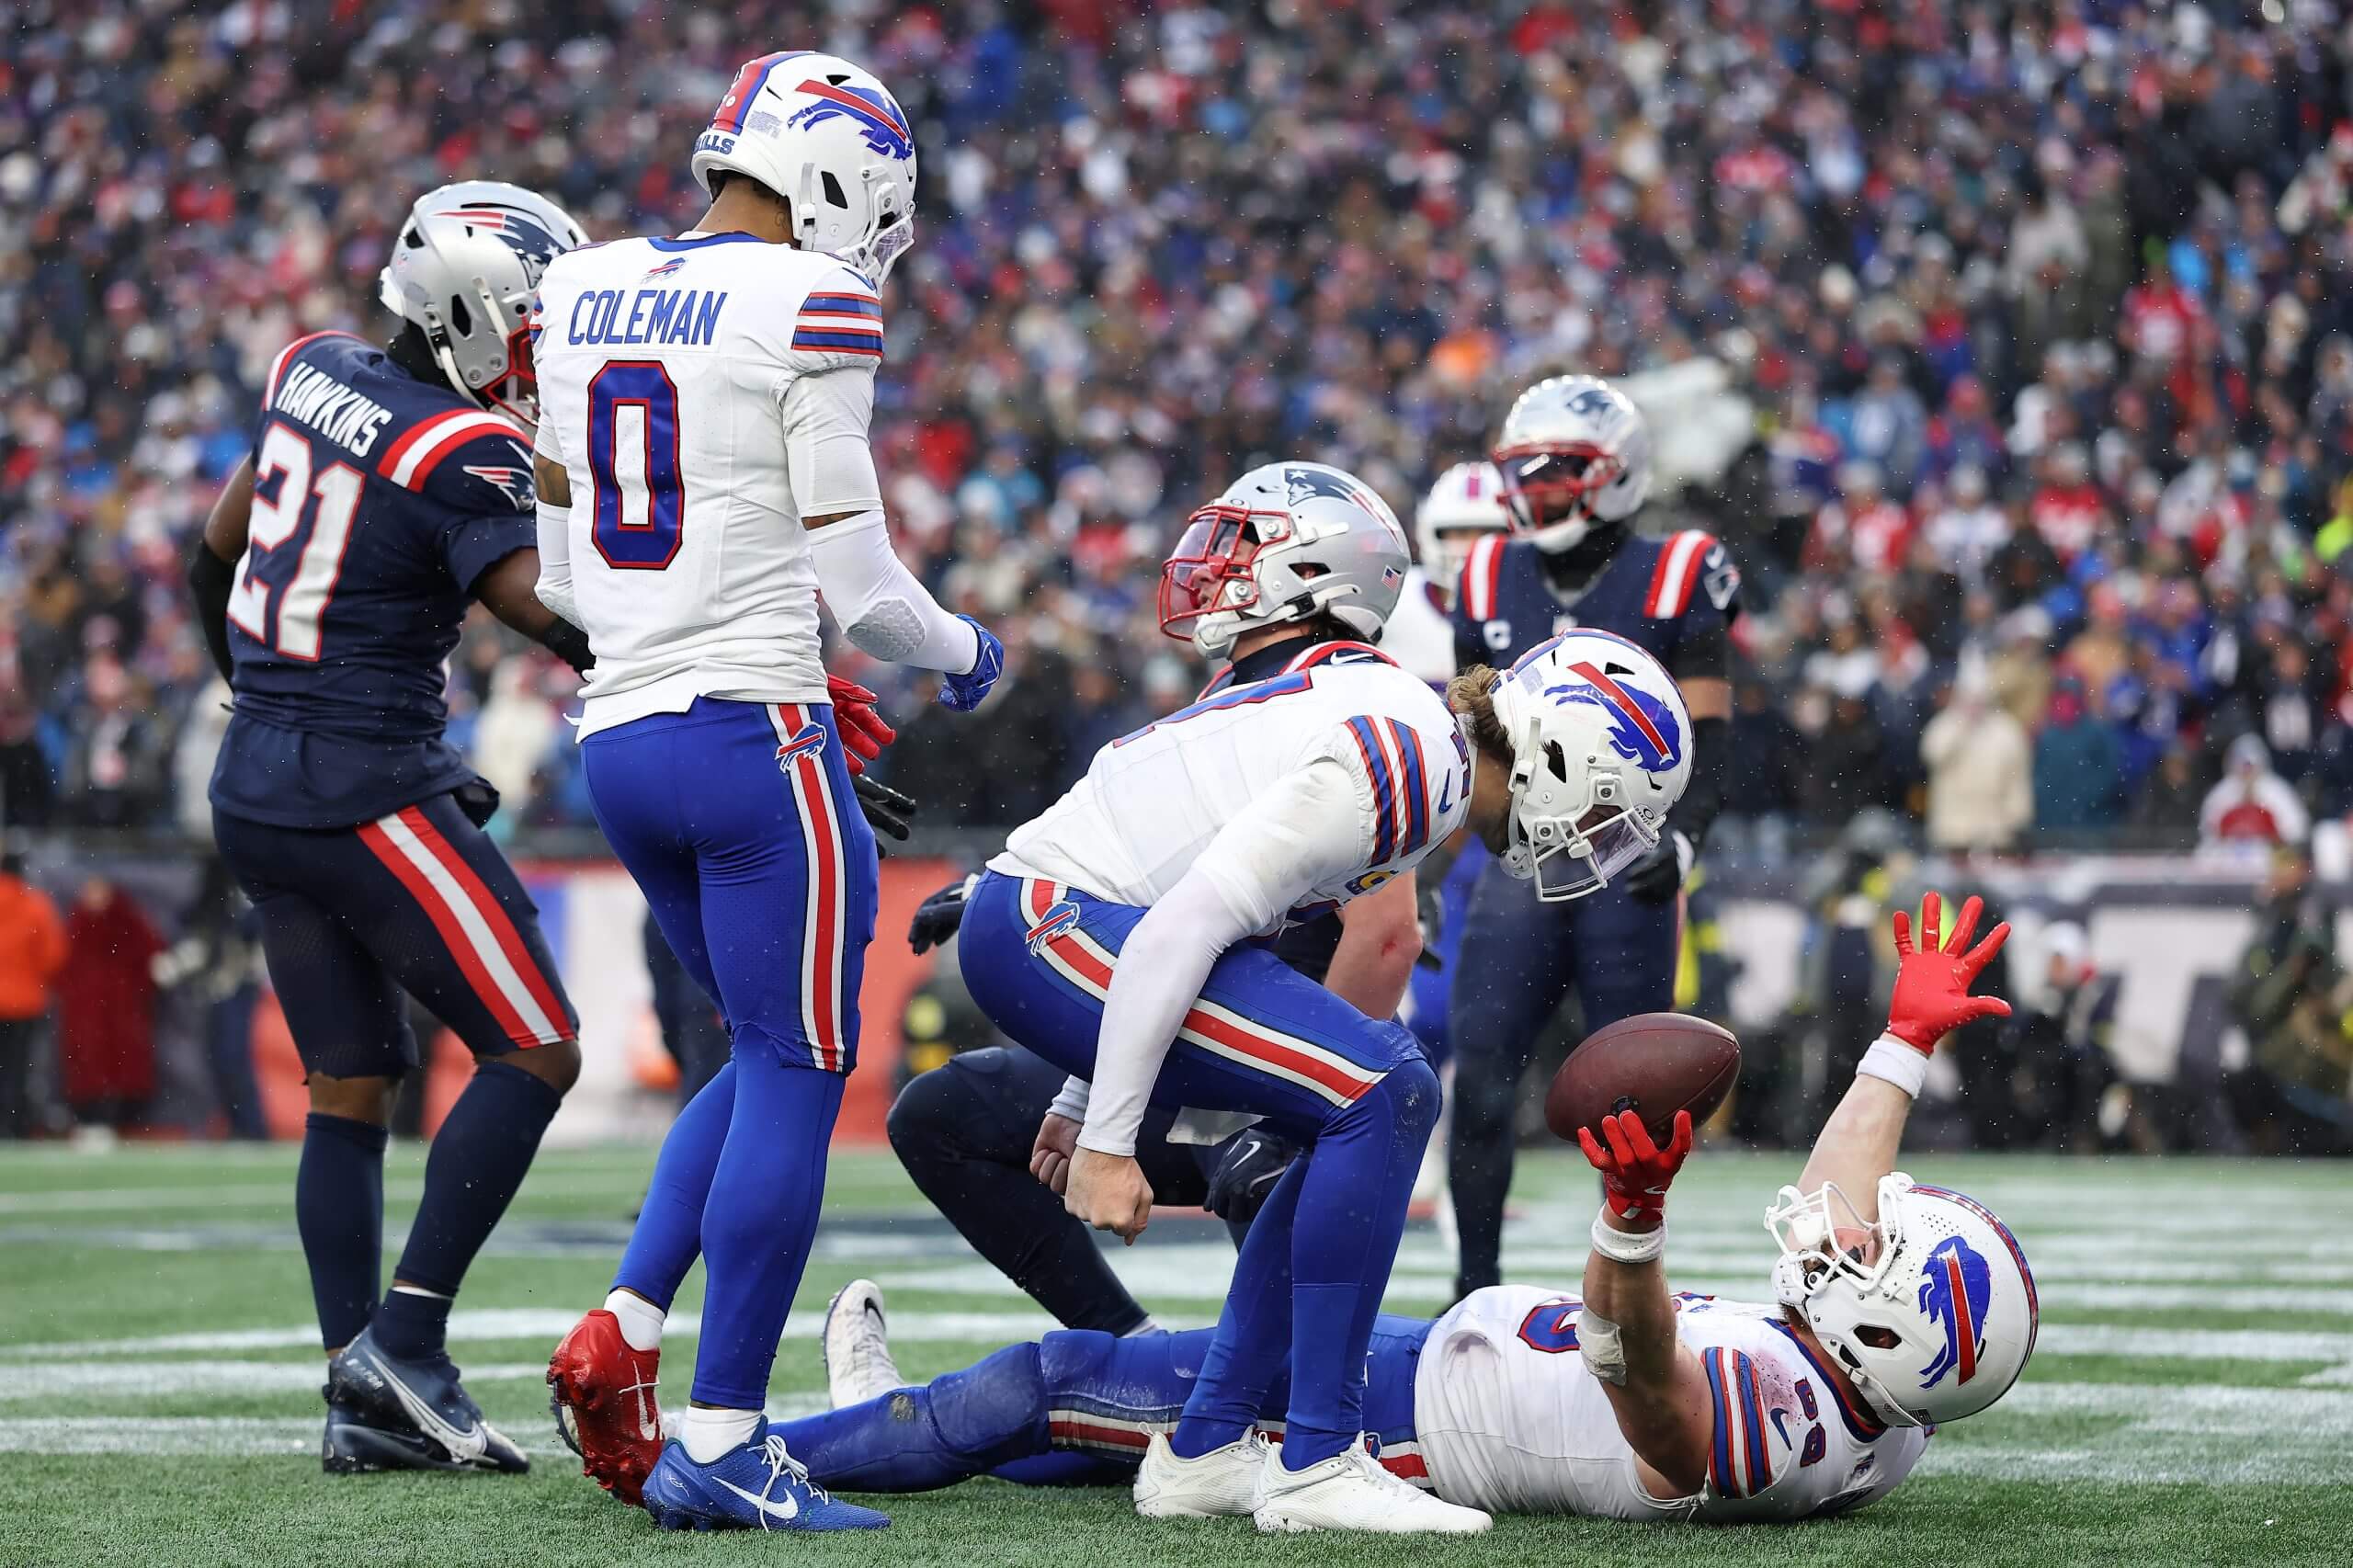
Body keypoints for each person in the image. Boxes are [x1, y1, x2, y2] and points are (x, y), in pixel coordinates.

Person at [926, 461, 1688, 1535]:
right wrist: (1101, 1134)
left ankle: (1205, 1445)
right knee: (1390, 1087)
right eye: (1607, 815)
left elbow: (1205, 921)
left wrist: (1070, 1099)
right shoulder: (1411, 752)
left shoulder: (1404, 732)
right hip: (1052, 926)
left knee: (1335, 1105)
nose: (1592, 845)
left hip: (1061, 924)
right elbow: (1181, 924)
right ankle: (1317, 1454)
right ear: (1564, 753)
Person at [789, 895, 2034, 1526]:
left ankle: (789, 1448)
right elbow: (1830, 1193)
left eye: (1874, 1242)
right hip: (1428, 1373)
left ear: (1883, 1325)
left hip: (1405, 1423)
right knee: (1121, 1406)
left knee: (1058, 1376)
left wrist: (1633, 1220)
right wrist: (1903, 1043)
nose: (1848, 1220)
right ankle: (896, 1426)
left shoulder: (1785, 1421)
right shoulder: (1877, 1402)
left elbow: (1649, 1390)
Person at [536, 52, 1002, 1533]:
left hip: (617, 734)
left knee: (751, 1044)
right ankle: (729, 1433)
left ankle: (625, 1319)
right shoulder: (811, 298)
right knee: (800, 1071)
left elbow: (562, 573)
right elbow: (865, 585)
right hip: (753, 739)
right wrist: (968, 652)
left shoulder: (577, 285)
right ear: (837, 174)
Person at [188, 181, 599, 1475]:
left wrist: (258, 697)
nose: (542, 352)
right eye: (529, 325)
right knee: (534, 1044)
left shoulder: (311, 366)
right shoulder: (458, 450)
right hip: (360, 780)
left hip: (256, 777)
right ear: (469, 313)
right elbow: (569, 625)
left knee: (350, 1086)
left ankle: (351, 1394)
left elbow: (216, 545)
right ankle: (406, 1348)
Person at [884, 491, 1430, 1348]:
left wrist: (1296, 1118)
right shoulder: (1239, 688)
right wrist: (1004, 881)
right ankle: (1126, 1354)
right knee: (942, 1117)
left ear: (1318, 572)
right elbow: (1140, 876)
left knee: (1269, 1192)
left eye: (1245, 545)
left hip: (1260, 1064)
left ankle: (1280, 1405)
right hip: (1173, 1034)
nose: (1216, 562)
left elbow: (1388, 932)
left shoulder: (1341, 709)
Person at [1447, 375, 1736, 1299]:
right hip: (1521, 861)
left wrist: (1682, 842)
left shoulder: (1680, 565)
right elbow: (1478, 745)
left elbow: (1713, 729)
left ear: (1615, 475)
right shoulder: (1488, 573)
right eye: (1522, 472)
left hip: (1626, 857)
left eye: (1557, 470)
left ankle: (1631, 1285)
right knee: (1483, 1079)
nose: (1535, 490)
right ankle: (1475, 1285)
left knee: (1633, 1106)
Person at [0, 850, 66, 1138]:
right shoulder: (36, 905)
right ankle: (13, 1126)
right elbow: (54, 955)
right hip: (25, 1002)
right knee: (18, 1069)